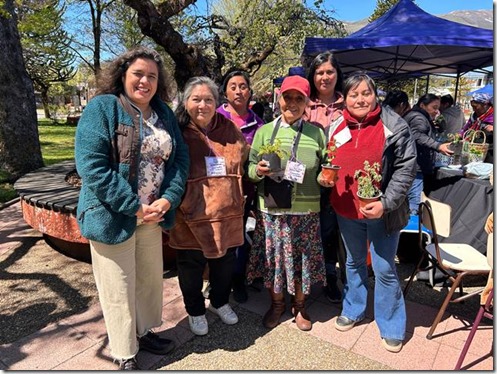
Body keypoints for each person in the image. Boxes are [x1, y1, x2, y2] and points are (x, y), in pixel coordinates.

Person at [74, 47, 190, 370]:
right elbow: (93, 167)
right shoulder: (102, 109)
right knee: (118, 285)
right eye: (138, 74)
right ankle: (125, 352)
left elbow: (180, 159)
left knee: (148, 281)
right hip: (112, 216)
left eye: (152, 76)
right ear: (123, 75)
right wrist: (133, 206)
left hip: (152, 216)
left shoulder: (163, 113)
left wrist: (169, 198)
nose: (145, 81)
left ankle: (143, 331)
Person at [319, 72, 417, 353]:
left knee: (385, 268)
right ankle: (354, 308)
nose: (360, 99)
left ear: (375, 95)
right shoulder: (336, 124)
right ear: (345, 98)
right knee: (353, 261)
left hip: (381, 211)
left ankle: (391, 324)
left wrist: (386, 203)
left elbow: (406, 169)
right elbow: (330, 160)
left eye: (365, 93)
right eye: (353, 94)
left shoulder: (394, 125)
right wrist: (325, 181)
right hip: (346, 209)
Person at [169, 76, 249, 336]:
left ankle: (219, 302)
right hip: (189, 216)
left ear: (217, 103)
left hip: (226, 215)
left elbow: (242, 159)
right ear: (185, 102)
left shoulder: (229, 129)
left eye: (208, 99)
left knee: (224, 263)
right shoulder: (176, 131)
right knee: (190, 265)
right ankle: (195, 310)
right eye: (196, 99)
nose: (202, 105)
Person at [246, 75, 327, 331]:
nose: (292, 103)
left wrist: (327, 176)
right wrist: (257, 171)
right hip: (272, 209)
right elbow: (249, 169)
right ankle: (277, 304)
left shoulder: (316, 134)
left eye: (298, 98)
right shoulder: (264, 132)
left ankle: (300, 305)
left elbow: (326, 166)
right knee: (275, 259)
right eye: (287, 97)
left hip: (305, 210)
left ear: (307, 103)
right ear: (279, 98)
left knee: (300, 259)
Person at [216, 69, 264, 303]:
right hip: (216, 190)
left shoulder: (258, 124)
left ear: (249, 90)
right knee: (217, 235)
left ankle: (238, 277)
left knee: (240, 235)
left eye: (242, 86)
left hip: (245, 191)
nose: (238, 90)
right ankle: (217, 279)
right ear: (225, 91)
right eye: (233, 86)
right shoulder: (214, 118)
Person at [302, 51, 345, 304]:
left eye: (329, 72)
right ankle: (305, 279)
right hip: (308, 181)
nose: (325, 77)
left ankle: (330, 277)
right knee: (309, 231)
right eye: (319, 72)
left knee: (330, 233)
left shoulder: (348, 104)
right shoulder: (304, 105)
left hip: (339, 182)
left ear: (337, 75)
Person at [403, 94, 453, 215]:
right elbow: (417, 135)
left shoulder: (417, 115)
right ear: (422, 105)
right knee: (414, 199)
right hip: (416, 164)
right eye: (434, 107)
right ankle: (412, 229)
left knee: (409, 197)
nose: (437, 111)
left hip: (412, 162)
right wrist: (438, 146)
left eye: (438, 108)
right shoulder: (418, 118)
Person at [460, 93, 493, 163]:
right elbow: (466, 128)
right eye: (472, 107)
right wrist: (461, 136)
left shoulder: (493, 116)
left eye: (475, 107)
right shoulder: (474, 116)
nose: (474, 109)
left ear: (485, 105)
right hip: (474, 150)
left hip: (490, 153)